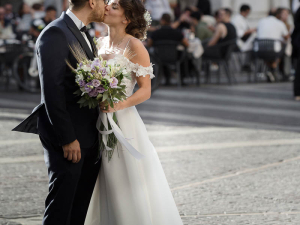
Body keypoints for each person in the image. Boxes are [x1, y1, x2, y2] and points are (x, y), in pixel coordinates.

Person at [84, 1, 184, 224]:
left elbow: (146, 90)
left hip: (123, 121)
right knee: (99, 179)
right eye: (108, 4)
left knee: (122, 177)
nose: (107, 8)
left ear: (126, 18)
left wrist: (118, 105)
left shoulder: (135, 45)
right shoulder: (97, 43)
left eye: (115, 7)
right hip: (94, 119)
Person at [12, 0, 106, 224]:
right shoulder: (55, 32)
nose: (107, 5)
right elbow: (52, 90)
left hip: (88, 136)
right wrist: (67, 138)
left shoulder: (84, 33)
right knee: (60, 210)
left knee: (78, 209)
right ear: (92, 2)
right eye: (105, 0)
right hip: (69, 138)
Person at [148, 13, 189, 85]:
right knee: (184, 54)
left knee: (155, 55)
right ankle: (182, 79)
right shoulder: (176, 32)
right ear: (170, 21)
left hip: (159, 57)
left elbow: (149, 44)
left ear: (162, 21)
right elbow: (186, 44)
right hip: (174, 57)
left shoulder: (156, 33)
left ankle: (164, 79)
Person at [257, 9, 290, 81]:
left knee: (267, 56)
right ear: (278, 15)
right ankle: (273, 69)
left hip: (260, 50)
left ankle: (271, 70)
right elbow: (287, 37)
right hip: (274, 51)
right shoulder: (280, 23)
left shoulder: (261, 21)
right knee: (281, 51)